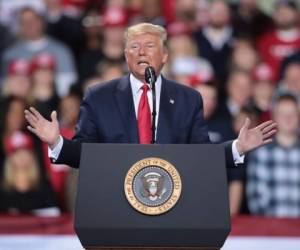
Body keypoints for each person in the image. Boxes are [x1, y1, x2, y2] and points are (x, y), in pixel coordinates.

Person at [24, 23, 277, 169]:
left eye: (150, 46)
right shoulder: (99, 97)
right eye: (134, 47)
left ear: (165, 56)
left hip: (172, 207)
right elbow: (83, 154)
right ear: (125, 56)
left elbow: (202, 157)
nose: (141, 52)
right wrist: (57, 142)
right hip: (114, 207)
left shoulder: (189, 99)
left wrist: (237, 147)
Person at [246, 93, 300, 217]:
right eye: (283, 114)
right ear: (275, 117)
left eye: (292, 113)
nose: (288, 118)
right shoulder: (261, 153)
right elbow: (255, 197)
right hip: (271, 230)